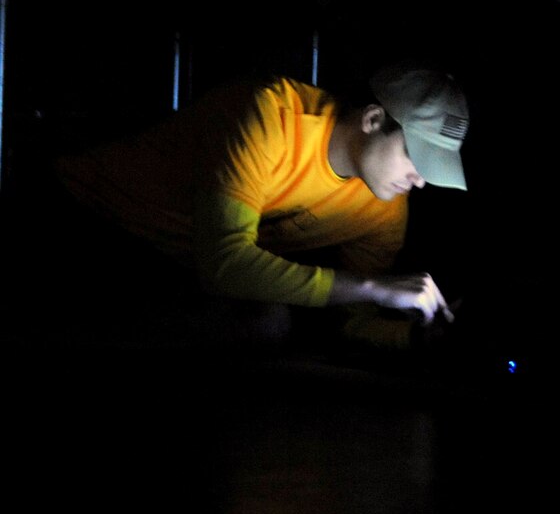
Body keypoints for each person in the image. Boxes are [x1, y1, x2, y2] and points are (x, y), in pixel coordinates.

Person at [47, 60, 470, 352]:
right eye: (416, 157)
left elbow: (352, 323)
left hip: (180, 266)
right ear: (373, 119)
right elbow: (226, 264)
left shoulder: (385, 208)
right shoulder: (271, 115)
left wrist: (418, 338)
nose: (420, 179)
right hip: (93, 220)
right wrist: (372, 287)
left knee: (266, 323)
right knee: (266, 323)